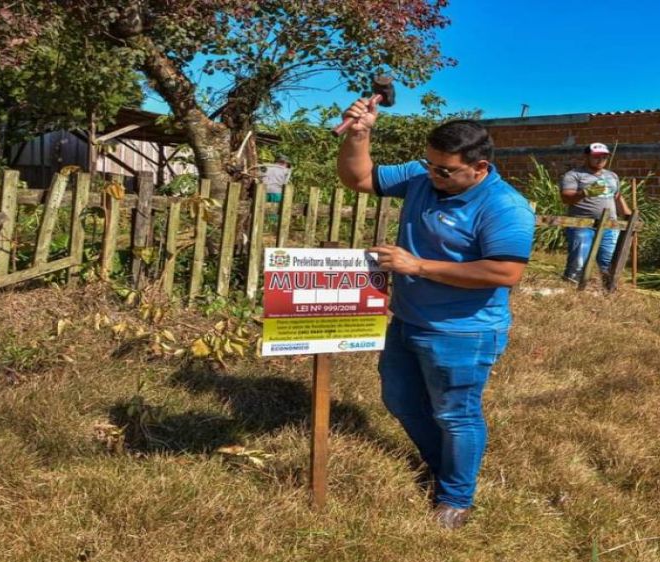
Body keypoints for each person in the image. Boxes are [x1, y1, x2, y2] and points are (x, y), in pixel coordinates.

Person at [336, 99, 535, 529]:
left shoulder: (504, 206)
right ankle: (440, 466)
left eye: (445, 171)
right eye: (430, 165)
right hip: (408, 319)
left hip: (462, 331)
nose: (433, 176)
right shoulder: (422, 178)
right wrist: (359, 133)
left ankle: (456, 499)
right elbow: (359, 177)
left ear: (479, 168)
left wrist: (417, 266)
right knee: (400, 399)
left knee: (455, 413)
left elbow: (505, 271)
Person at [559, 143, 632, 284]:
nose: (601, 160)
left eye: (604, 157)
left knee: (609, 263)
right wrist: (585, 193)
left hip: (610, 225)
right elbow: (565, 198)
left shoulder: (612, 176)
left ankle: (608, 292)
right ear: (586, 156)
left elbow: (617, 197)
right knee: (578, 262)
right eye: (597, 156)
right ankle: (570, 291)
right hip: (582, 224)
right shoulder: (574, 175)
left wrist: (629, 216)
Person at [260, 155, 293, 224]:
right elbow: (285, 182)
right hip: (277, 192)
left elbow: (260, 176)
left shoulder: (267, 167)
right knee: (275, 210)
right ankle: (272, 225)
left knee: (263, 209)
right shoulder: (286, 170)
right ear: (285, 163)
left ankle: (264, 224)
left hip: (265, 191)